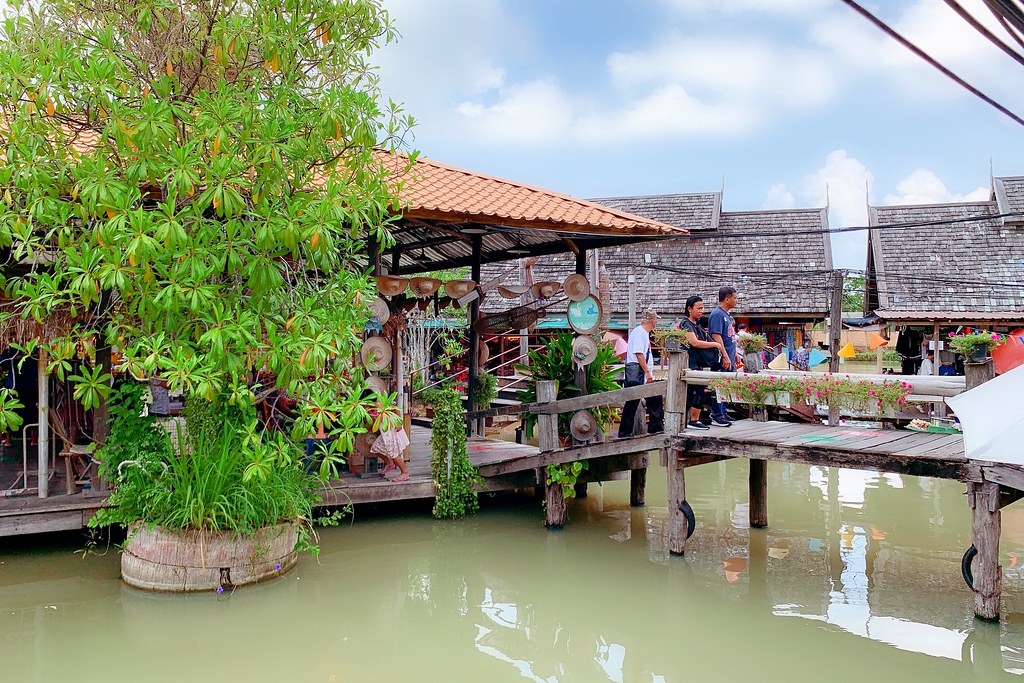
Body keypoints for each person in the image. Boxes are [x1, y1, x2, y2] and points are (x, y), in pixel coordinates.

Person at [680, 296, 727, 430]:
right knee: (701, 389)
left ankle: (691, 419)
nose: (701, 311)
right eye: (698, 308)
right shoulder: (686, 324)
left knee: (698, 390)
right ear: (689, 309)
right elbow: (694, 342)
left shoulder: (696, 325)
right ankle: (693, 419)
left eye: (702, 308)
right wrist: (716, 344)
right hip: (689, 363)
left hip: (697, 363)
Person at [617, 308, 664, 437]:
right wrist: (647, 372)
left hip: (640, 373)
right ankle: (627, 432)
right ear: (653, 321)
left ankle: (654, 428)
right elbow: (639, 354)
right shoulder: (639, 333)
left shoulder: (642, 333)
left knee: (651, 399)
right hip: (639, 373)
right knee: (633, 402)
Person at [707, 286, 738, 427]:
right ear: (727, 299)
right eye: (734, 298)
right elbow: (716, 336)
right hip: (721, 357)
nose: (736, 300)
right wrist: (725, 355)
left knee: (727, 385)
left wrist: (735, 353)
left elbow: (729, 337)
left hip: (730, 356)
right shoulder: (717, 315)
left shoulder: (726, 315)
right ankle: (716, 414)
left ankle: (723, 411)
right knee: (719, 385)